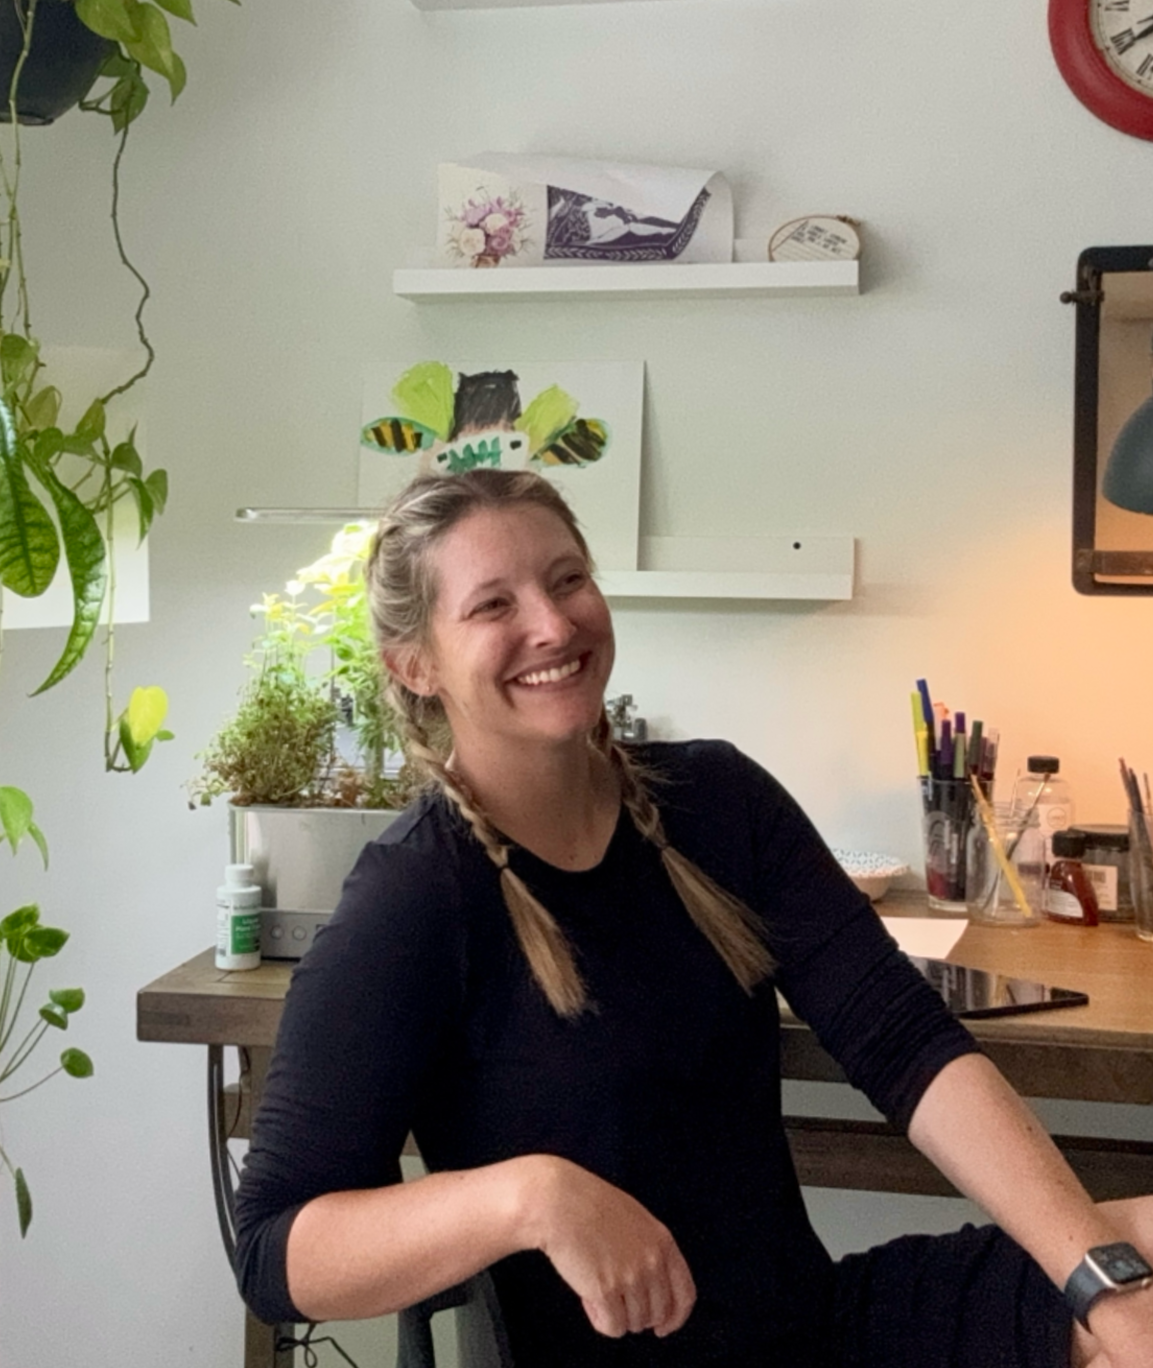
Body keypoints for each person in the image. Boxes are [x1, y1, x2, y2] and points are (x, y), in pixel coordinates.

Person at [233, 469, 1153, 1367]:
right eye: (493, 606)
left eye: (568, 580)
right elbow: (276, 1252)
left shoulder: (717, 800)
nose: (552, 625)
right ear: (414, 663)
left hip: (811, 1331)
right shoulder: (414, 898)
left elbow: (905, 1044)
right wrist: (530, 1198)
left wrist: (1104, 1283)